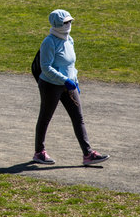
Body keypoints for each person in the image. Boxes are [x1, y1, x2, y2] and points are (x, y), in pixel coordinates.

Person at [33, 9, 109, 166]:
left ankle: (88, 154)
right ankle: (39, 152)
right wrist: (65, 79)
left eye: (70, 22)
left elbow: (71, 64)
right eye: (66, 22)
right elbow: (46, 67)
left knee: (78, 117)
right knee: (45, 117)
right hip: (50, 85)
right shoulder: (49, 42)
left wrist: (75, 80)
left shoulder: (69, 40)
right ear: (58, 24)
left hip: (69, 85)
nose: (69, 25)